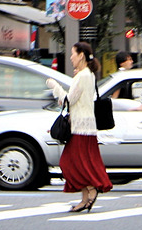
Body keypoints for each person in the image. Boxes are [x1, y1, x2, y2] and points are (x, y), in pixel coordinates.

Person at [46, 41, 112, 212]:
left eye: (73, 53)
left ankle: (90, 189)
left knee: (69, 162)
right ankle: (85, 198)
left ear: (81, 55)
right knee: (82, 163)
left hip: (80, 127)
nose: (70, 57)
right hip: (86, 126)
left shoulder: (82, 76)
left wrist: (55, 86)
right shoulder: (88, 74)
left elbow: (69, 100)